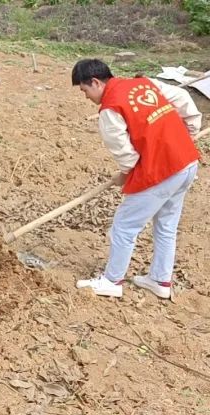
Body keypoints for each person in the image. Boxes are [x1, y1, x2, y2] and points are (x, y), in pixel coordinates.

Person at [71, 58, 202, 299]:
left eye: (84, 90)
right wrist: (189, 134)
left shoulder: (110, 109)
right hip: (187, 163)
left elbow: (126, 155)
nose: (85, 97)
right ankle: (160, 280)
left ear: (95, 82)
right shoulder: (145, 83)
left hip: (161, 171)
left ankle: (112, 280)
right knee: (166, 225)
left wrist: (126, 172)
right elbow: (183, 100)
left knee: (124, 226)